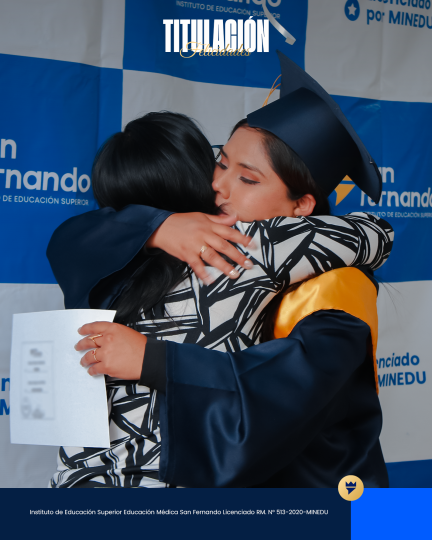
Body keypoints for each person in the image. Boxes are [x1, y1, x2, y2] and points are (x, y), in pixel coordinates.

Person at [48, 51, 393, 488]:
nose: (218, 185)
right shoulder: (196, 247)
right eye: (221, 162)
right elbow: (72, 240)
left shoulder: (335, 288)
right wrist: (160, 226)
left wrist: (153, 359)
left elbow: (277, 403)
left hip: (331, 501)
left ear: (301, 206)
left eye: (248, 179)